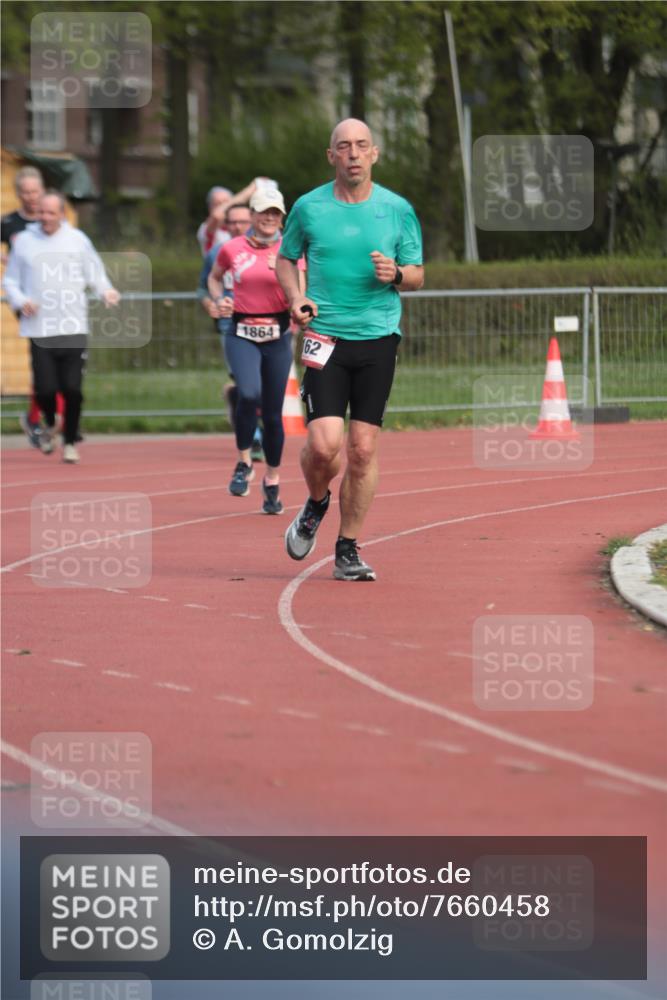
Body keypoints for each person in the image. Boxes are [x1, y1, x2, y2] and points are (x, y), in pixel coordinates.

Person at [276, 118, 424, 581]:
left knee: (361, 450)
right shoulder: (308, 207)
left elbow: (417, 272)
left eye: (362, 146)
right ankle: (316, 502)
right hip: (325, 337)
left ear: (374, 154)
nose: (354, 154)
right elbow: (285, 259)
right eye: (345, 147)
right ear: (332, 156)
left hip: (378, 338)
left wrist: (396, 275)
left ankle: (347, 548)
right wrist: (296, 297)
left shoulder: (397, 209)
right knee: (324, 446)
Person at [3, 190, 120, 464]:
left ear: (62, 214)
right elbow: (10, 281)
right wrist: (21, 301)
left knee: (72, 389)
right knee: (44, 389)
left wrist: (107, 291)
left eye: (51, 213)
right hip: (39, 328)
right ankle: (50, 422)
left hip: (72, 324)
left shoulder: (77, 240)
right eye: (41, 212)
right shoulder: (24, 242)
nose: (45, 217)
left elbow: (96, 273)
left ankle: (69, 442)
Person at [208, 188, 297, 513]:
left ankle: (272, 479)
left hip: (277, 334)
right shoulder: (231, 248)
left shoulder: (291, 251)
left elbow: (305, 289)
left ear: (281, 216)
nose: (270, 218)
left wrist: (291, 281)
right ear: (254, 215)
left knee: (274, 415)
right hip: (241, 331)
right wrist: (219, 299)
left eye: (275, 213)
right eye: (264, 212)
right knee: (248, 394)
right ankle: (244, 461)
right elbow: (214, 279)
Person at [0, 166, 65, 449]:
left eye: (35, 192)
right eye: (25, 192)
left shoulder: (52, 224)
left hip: (55, 297)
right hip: (28, 301)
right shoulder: (9, 223)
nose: (30, 197)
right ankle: (50, 417)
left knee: (53, 360)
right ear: (18, 194)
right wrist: (9, 262)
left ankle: (36, 416)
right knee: (48, 357)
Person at [197, 203, 263, 460]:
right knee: (248, 383)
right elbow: (203, 288)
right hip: (232, 325)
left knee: (266, 385)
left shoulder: (269, 249)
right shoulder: (218, 252)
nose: (238, 227)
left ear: (254, 221)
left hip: (267, 323)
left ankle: (234, 398)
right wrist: (211, 304)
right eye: (232, 222)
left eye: (243, 222)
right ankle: (255, 438)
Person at [196, 177, 279, 256]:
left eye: (225, 202)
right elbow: (217, 216)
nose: (223, 207)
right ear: (210, 207)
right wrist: (249, 190)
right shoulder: (206, 230)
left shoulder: (247, 226)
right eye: (217, 204)